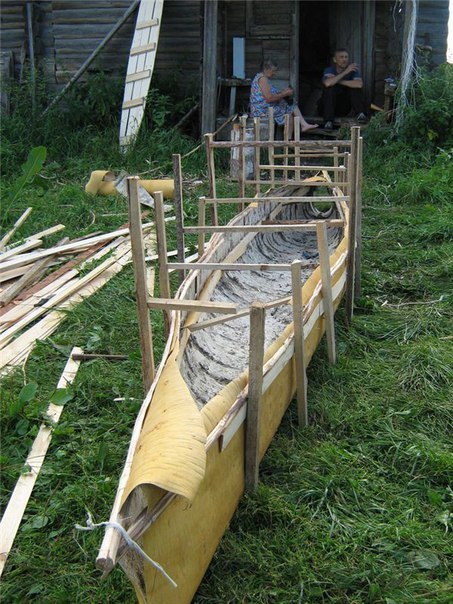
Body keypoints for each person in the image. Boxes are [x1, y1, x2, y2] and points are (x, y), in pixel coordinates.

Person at [250, 59, 318, 137]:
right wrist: (284, 93)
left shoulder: (262, 78)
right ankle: (302, 126)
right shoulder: (262, 79)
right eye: (273, 71)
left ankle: (290, 140)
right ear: (266, 69)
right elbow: (269, 98)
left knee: (289, 111)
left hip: (266, 108)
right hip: (262, 111)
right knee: (290, 105)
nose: (274, 73)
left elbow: (269, 95)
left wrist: (283, 92)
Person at [320, 49, 368, 130]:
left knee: (354, 88)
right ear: (335, 60)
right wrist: (346, 72)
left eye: (346, 57)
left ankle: (361, 114)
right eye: (341, 57)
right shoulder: (329, 70)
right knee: (330, 89)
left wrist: (338, 81)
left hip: (344, 107)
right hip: (327, 107)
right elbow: (328, 83)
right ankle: (328, 122)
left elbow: (359, 84)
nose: (344, 60)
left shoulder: (353, 70)